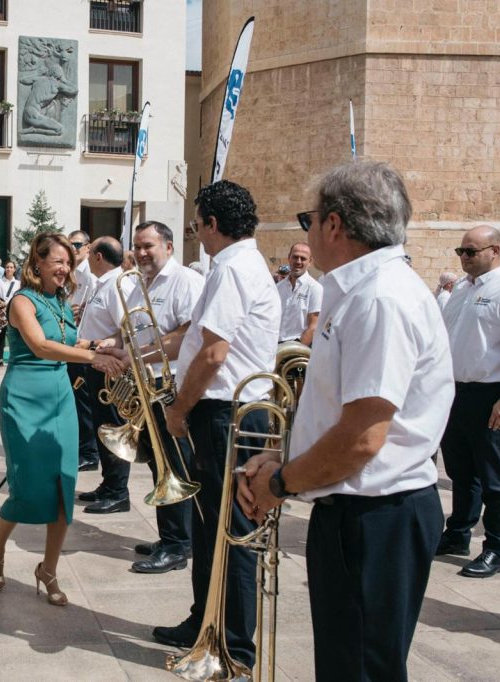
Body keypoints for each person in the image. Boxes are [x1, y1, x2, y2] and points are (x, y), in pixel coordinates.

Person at [236, 160, 453, 679]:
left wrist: (280, 483)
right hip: (360, 512)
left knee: (359, 669)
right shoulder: (362, 290)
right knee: (346, 664)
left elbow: (362, 438)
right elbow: (341, 412)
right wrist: (283, 454)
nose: (307, 230)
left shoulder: (380, 299)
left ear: (333, 224)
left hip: (375, 517)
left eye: (307, 219)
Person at [134, 180, 278, 670]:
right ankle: (204, 623)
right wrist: (136, 353)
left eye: (197, 226)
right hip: (224, 412)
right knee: (208, 528)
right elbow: (196, 339)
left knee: (230, 532)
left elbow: (214, 354)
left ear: (213, 224)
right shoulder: (235, 266)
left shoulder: (233, 269)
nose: (196, 233)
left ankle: (232, 651)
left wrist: (179, 409)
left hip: (226, 413)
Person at [0, 232, 123, 605]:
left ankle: (48, 569)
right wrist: (93, 358)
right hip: (23, 398)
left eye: (68, 262)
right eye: (58, 261)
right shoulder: (22, 301)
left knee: (63, 486)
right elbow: (42, 345)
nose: (65, 268)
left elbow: (67, 340)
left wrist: (100, 345)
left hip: (60, 398)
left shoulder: (60, 300)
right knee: (27, 487)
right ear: (38, 263)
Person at [437, 225, 500, 578]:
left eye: (471, 251)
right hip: (455, 392)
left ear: (495, 251)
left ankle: (495, 547)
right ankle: (458, 533)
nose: (463, 257)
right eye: (460, 251)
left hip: (489, 393)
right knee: (460, 471)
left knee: (493, 475)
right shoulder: (461, 290)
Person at [124, 221, 204, 574]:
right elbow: (131, 332)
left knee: (173, 466)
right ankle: (172, 536)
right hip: (146, 385)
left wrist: (136, 355)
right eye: (138, 246)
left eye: (148, 246)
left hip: (169, 386)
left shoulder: (185, 281)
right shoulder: (141, 283)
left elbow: (188, 334)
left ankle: (177, 545)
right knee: (160, 466)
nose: (141, 252)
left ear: (169, 247)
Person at [77, 237, 135, 514]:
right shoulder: (102, 284)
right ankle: (108, 484)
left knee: (113, 428)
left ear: (99, 256)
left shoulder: (117, 285)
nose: (88, 258)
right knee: (101, 426)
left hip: (111, 369)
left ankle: (118, 491)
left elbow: (128, 329)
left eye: (90, 253)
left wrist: (99, 344)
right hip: (97, 366)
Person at [66, 230, 100, 473]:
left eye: (77, 245)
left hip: (89, 346)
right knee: (78, 403)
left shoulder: (92, 275)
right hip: (75, 344)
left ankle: (90, 453)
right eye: (70, 244)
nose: (73, 249)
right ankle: (83, 449)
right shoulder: (74, 273)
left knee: (86, 404)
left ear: (88, 247)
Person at [276, 242, 322, 345]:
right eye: (295, 257)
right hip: (275, 346)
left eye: (303, 258)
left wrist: (296, 350)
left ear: (310, 261)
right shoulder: (278, 288)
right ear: (289, 258)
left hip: (297, 347)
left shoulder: (315, 289)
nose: (298, 261)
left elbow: (313, 327)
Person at [0, 260, 20, 368]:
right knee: (0, 336)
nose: (9, 269)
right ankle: (0, 360)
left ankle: (15, 359)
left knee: (15, 336)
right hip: (2, 311)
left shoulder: (18, 283)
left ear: (14, 269)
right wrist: (1, 302)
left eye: (11, 267)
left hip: (14, 311)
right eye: (7, 267)